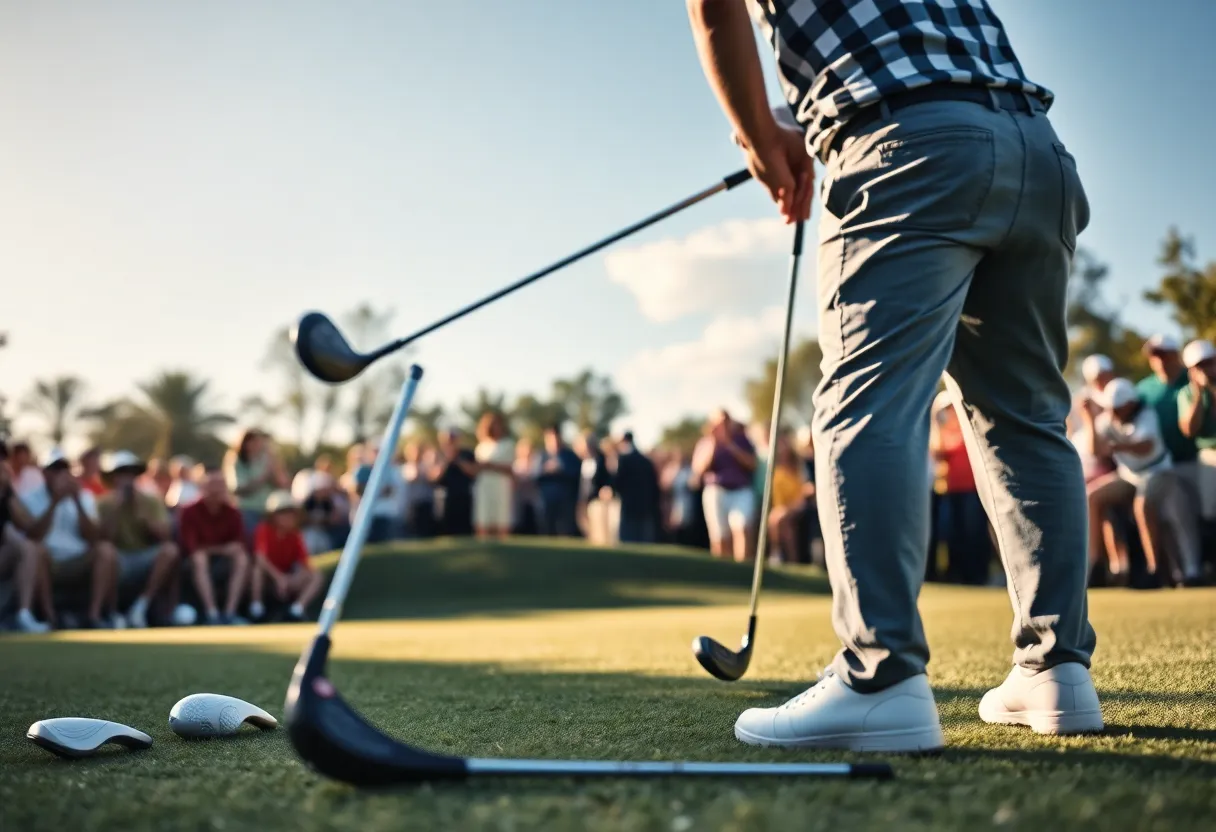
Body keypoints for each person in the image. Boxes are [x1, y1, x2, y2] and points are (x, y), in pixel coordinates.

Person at [686, 0, 1099, 750]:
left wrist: (759, 136)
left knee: (867, 405)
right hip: (1034, 145)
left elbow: (714, 10)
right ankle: (1057, 669)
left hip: (901, 145)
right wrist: (797, 124)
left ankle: (882, 676)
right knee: (1026, 417)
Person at [1083, 379, 1199, 587]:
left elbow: (1146, 446)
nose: (1114, 412)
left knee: (1142, 505)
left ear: (1129, 404)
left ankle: (1153, 568)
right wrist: (1090, 419)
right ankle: (1095, 564)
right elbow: (1094, 450)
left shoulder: (1147, 415)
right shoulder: (1109, 417)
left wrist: (1116, 446)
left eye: (1118, 408)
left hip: (1157, 471)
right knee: (1093, 497)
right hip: (1129, 475)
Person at [21, 447, 120, 629]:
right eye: (55, 469)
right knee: (37, 550)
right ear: (44, 472)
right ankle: (50, 617)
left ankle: (94, 615)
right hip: (48, 560)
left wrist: (77, 501)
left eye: (64, 468)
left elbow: (92, 537)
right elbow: (35, 535)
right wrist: (55, 502)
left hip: (78, 559)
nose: (60, 473)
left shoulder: (84, 496)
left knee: (106, 550)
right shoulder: (29, 497)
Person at [97, 451, 181, 628]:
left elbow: (165, 536)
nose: (126, 478)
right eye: (121, 473)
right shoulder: (104, 503)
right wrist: (116, 510)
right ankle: (112, 613)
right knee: (106, 552)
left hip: (143, 557)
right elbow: (103, 538)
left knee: (170, 551)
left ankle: (141, 606)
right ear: (113, 478)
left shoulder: (150, 501)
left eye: (130, 473)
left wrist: (144, 516)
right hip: (118, 558)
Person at [177, 468, 250, 625]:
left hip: (223, 562)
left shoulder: (233, 512)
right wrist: (222, 549)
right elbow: (192, 548)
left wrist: (224, 550)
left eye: (220, 484)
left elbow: (239, 544)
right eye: (212, 484)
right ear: (202, 486)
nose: (216, 489)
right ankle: (212, 613)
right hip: (193, 564)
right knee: (199, 558)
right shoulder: (189, 511)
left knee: (242, 559)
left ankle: (230, 613)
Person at [0, 440, 52, 632]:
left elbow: (32, 529)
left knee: (31, 549)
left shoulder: (6, 492)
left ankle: (24, 615)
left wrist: (6, 494)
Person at [692, 409, 757, 561]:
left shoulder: (742, 440)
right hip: (715, 491)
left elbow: (752, 464)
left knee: (742, 527)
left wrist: (730, 444)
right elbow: (699, 470)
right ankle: (725, 573)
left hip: (740, 490)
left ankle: (743, 570)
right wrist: (715, 443)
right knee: (719, 536)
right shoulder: (705, 443)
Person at [248, 491, 323, 622]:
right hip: (269, 578)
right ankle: (256, 610)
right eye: (283, 513)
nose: (288, 517)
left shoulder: (295, 535)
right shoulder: (264, 529)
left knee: (316, 576)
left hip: (287, 576)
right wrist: (279, 578)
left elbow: (304, 563)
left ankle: (296, 610)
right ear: (273, 516)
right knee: (257, 570)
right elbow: (260, 558)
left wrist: (290, 579)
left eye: (291, 513)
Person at [1178, 339, 1216, 530]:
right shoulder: (1186, 394)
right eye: (1198, 366)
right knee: (1211, 514)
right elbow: (1189, 430)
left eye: (1208, 362)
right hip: (1210, 456)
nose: (1205, 369)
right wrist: (1199, 394)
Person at [224, 429, 287, 539]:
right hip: (247, 511)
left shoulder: (267, 460)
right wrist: (263, 477)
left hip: (268, 511)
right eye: (252, 441)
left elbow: (283, 484)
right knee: (251, 541)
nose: (257, 444)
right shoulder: (236, 460)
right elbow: (237, 488)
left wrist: (275, 468)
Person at [472, 412, 515, 540]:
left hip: (501, 485)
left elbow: (510, 468)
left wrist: (490, 465)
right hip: (485, 486)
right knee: (484, 517)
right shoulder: (481, 447)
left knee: (501, 516)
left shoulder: (508, 444)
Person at [612, 431, 660, 544]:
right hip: (645, 504)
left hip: (629, 504)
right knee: (643, 538)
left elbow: (617, 482)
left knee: (628, 537)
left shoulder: (624, 460)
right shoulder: (646, 461)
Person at [536, 426, 581, 537]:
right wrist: (546, 470)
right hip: (546, 499)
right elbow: (535, 475)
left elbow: (576, 474)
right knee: (547, 528)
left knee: (565, 530)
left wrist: (561, 470)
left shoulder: (570, 456)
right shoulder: (541, 456)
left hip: (565, 499)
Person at [433, 429, 476, 536]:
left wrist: (457, 459)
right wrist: (447, 460)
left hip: (464, 495)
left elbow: (473, 472)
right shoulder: (438, 454)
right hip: (444, 497)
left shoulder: (467, 454)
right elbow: (434, 477)